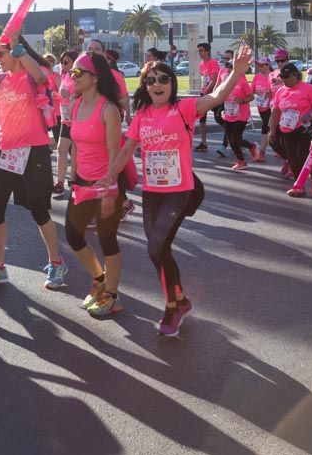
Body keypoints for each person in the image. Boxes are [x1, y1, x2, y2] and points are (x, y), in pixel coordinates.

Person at [105, 46, 252, 335]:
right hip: (152, 191)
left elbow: (217, 97)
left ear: (172, 84)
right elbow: (126, 151)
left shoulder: (183, 108)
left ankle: (173, 307)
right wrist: (107, 178)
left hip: (180, 190)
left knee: (157, 246)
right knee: (156, 250)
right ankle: (180, 300)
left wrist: (236, 72)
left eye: (163, 79)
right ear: (145, 87)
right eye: (151, 80)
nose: (157, 84)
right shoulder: (142, 115)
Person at [0, 33, 66, 289]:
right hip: (6, 151)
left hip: (33, 151)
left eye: (0, 53)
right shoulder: (0, 78)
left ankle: (56, 262)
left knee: (39, 211)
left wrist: (17, 48)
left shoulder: (32, 75)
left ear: (14, 51)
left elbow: (41, 76)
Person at [62, 53, 129, 316]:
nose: (73, 77)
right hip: (82, 182)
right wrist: (73, 179)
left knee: (107, 239)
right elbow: (76, 147)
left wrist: (110, 192)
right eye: (72, 72)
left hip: (105, 184)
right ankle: (100, 279)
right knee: (73, 234)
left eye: (78, 73)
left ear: (95, 77)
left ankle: (112, 296)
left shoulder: (108, 110)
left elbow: (115, 154)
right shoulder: (76, 105)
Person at [269, 62, 312, 195]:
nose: (284, 80)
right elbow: (276, 112)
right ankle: (299, 187)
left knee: (303, 155)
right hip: (287, 129)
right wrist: (272, 130)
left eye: (286, 77)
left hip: (304, 128)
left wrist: (310, 115)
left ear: (295, 76)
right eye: (282, 77)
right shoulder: (281, 91)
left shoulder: (307, 88)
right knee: (292, 158)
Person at [219, 58, 257, 171]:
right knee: (231, 140)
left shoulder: (242, 81)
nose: (228, 70)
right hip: (228, 114)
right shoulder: (226, 82)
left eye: (231, 67)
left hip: (241, 115)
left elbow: (251, 96)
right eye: (228, 67)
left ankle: (251, 146)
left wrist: (242, 100)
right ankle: (241, 161)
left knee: (235, 139)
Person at [53, 49, 79, 195]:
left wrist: (68, 96)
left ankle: (74, 181)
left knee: (75, 152)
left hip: (77, 119)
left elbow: (82, 98)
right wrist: (58, 96)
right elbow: (62, 95)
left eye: (66, 62)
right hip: (65, 119)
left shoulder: (79, 77)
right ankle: (60, 182)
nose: (63, 65)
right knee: (61, 148)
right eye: (61, 62)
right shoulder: (64, 76)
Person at [193, 43, 221, 151]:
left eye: (201, 50)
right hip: (204, 92)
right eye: (198, 51)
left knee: (218, 118)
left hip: (213, 93)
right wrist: (202, 92)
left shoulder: (213, 63)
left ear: (207, 51)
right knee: (201, 118)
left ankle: (232, 137)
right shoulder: (201, 64)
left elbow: (214, 80)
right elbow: (205, 79)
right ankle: (204, 143)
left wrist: (206, 93)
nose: (199, 53)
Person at [251, 59, 276, 162]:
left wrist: (271, 93)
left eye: (261, 65)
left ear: (268, 65)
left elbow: (280, 90)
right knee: (271, 128)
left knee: (266, 127)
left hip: (272, 107)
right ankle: (277, 148)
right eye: (258, 65)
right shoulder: (257, 76)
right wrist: (258, 92)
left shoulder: (274, 76)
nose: (259, 67)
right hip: (261, 106)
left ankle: (262, 152)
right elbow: (252, 90)